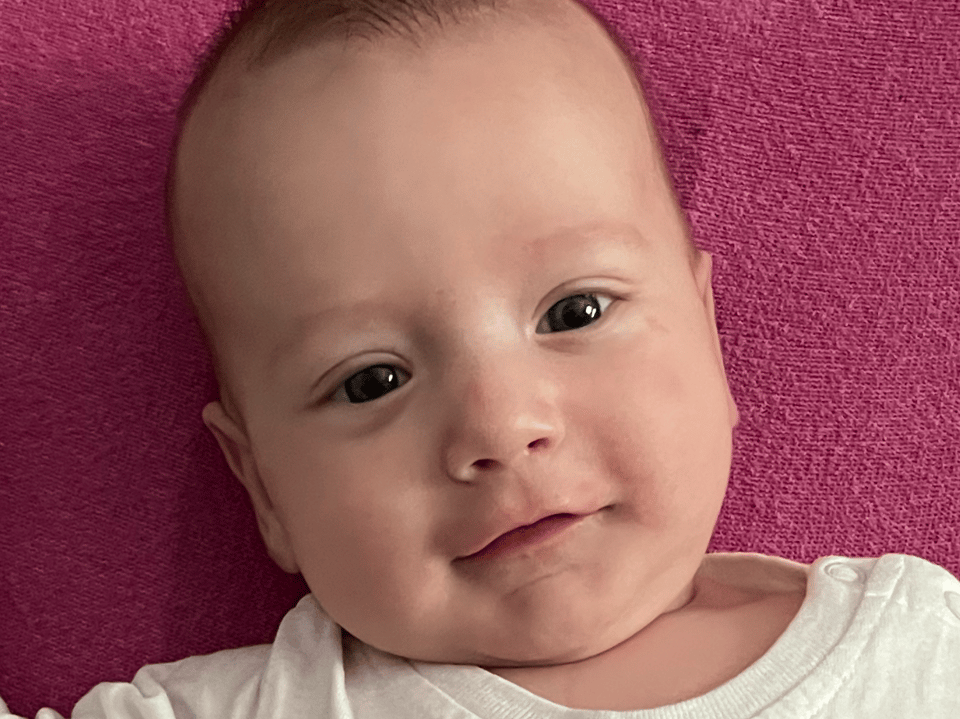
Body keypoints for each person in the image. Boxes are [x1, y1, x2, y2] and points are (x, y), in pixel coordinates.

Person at [4, 0, 959, 716]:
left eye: (575, 311)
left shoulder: (917, 649)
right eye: (371, 380)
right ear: (264, 487)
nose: (500, 426)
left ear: (708, 332)